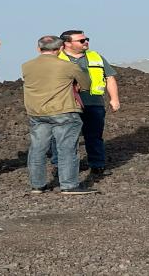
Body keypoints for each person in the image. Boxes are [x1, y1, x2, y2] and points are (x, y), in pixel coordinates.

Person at [22, 35, 97, 195]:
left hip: (37, 112)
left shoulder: (26, 66)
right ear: (61, 48)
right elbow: (86, 84)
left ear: (38, 49)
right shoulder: (67, 66)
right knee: (67, 149)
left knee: (37, 149)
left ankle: (37, 185)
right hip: (64, 111)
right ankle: (69, 185)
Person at [51, 29, 120, 176]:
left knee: (94, 135)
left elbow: (109, 77)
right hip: (66, 105)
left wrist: (114, 99)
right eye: (82, 40)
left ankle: (97, 165)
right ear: (67, 43)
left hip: (93, 103)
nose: (86, 42)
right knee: (62, 137)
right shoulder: (56, 59)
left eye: (86, 39)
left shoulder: (96, 57)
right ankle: (60, 166)